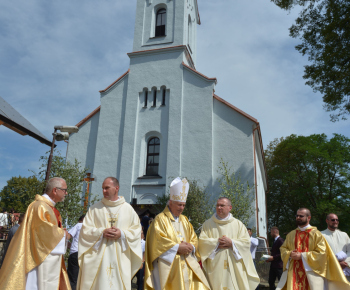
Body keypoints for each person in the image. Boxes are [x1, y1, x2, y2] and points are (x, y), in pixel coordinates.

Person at [0, 177, 71, 289]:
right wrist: (63, 235)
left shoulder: (49, 207)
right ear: (55, 190)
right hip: (38, 259)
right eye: (65, 190)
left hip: (47, 258)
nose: (66, 193)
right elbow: (42, 232)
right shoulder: (40, 206)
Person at [144, 177, 210, 290]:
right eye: (179, 205)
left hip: (187, 263)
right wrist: (177, 247)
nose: (182, 208)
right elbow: (156, 242)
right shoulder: (160, 219)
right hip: (168, 266)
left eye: (183, 205)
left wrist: (191, 246)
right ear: (170, 203)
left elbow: (193, 237)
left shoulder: (184, 220)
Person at [77, 176, 142, 290]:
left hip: (120, 260)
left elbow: (137, 231)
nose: (103, 191)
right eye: (103, 188)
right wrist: (101, 232)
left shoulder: (128, 209)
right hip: (98, 261)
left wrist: (122, 234)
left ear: (116, 188)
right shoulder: (94, 209)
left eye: (107, 188)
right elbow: (85, 231)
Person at [277, 208, 350, 290]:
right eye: (297, 215)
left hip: (312, 273)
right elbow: (283, 248)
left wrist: (302, 255)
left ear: (309, 218)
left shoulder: (316, 234)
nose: (298, 217)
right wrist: (290, 253)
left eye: (301, 216)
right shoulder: (291, 234)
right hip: (294, 273)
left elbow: (322, 253)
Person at [199, 197, 260, 289]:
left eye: (222, 205)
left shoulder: (238, 224)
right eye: (217, 205)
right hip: (215, 266)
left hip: (234, 265)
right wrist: (216, 243)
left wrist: (232, 243)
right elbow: (202, 242)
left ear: (229, 208)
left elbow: (246, 243)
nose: (219, 207)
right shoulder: (207, 224)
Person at [321, 213, 350, 282]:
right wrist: (336, 264)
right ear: (327, 221)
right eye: (333, 220)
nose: (335, 222)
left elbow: (349, 251)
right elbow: (319, 253)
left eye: (337, 220)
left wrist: (346, 263)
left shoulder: (344, 235)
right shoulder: (320, 235)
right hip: (329, 269)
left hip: (345, 270)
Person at [67, 214, 85, 290]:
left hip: (75, 253)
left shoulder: (79, 225)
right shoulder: (93, 228)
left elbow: (67, 236)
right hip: (86, 254)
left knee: (72, 279)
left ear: (80, 220)